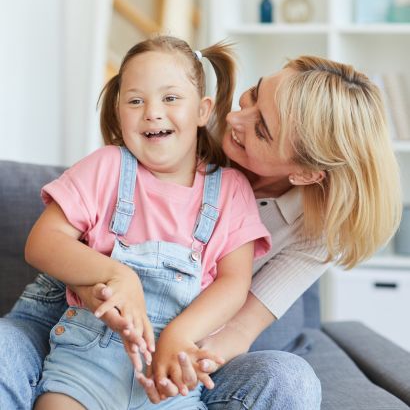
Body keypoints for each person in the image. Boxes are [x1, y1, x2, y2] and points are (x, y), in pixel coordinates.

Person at [0, 54, 401, 409]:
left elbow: (239, 322)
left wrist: (179, 360)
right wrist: (102, 282)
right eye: (252, 95)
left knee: (290, 379)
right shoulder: (169, 133)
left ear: (306, 173)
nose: (233, 119)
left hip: (185, 338)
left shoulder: (292, 222)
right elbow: (71, 233)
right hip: (78, 315)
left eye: (262, 129)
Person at [24, 35, 271, 410]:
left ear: (203, 111)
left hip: (170, 376)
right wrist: (120, 276)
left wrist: (180, 333)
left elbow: (235, 281)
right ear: (119, 111)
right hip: (84, 366)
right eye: (135, 101)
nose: (152, 112)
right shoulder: (106, 166)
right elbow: (42, 243)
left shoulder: (230, 190)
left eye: (170, 98)